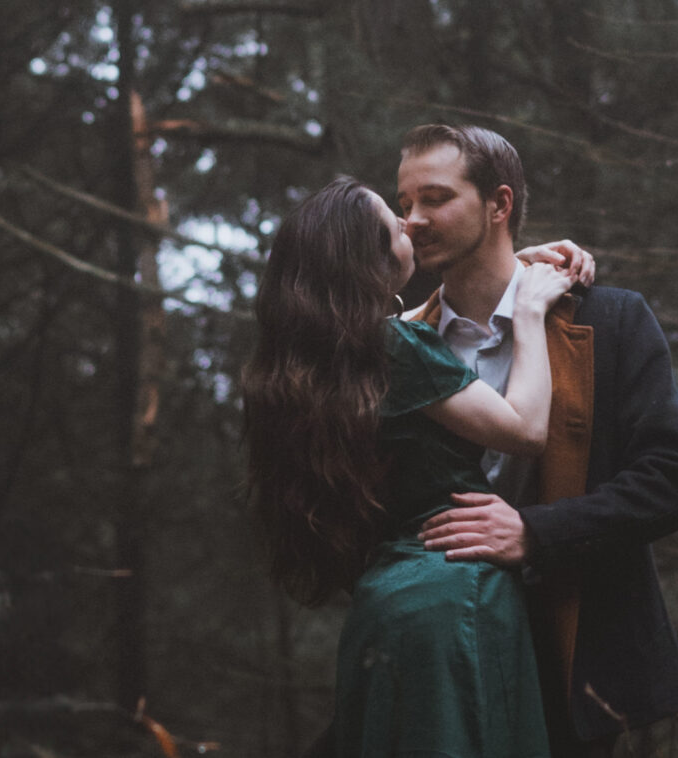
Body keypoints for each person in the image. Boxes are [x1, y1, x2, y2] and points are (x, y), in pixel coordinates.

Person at [242, 176, 580, 757]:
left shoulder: (310, 367)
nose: (410, 225)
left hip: (383, 607)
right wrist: (526, 310)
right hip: (456, 594)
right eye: (393, 221)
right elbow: (525, 430)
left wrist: (506, 267)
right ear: (365, 259)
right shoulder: (397, 348)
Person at [397, 124, 678, 757]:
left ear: (499, 205)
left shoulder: (609, 319)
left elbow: (672, 481)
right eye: (404, 204)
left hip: (571, 663)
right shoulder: (399, 342)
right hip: (432, 653)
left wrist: (533, 533)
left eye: (434, 198)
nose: (412, 220)